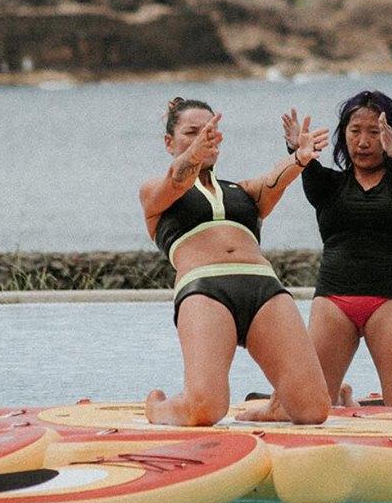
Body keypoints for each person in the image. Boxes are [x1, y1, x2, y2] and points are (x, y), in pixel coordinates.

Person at [141, 98, 331, 427]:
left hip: (263, 289)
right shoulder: (157, 192)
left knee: (314, 410)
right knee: (205, 410)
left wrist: (299, 158)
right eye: (192, 132)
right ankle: (159, 408)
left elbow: (275, 179)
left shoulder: (241, 190)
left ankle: (275, 407)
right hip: (205, 290)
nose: (205, 138)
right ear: (169, 142)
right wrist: (193, 155)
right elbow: (177, 179)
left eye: (211, 131)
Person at [289, 90, 392, 409]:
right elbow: (303, 168)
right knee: (309, 406)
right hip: (334, 301)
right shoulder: (327, 185)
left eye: (374, 132)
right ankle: (339, 398)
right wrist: (296, 151)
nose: (363, 141)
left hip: (389, 300)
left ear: (390, 135)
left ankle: (346, 399)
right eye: (355, 131)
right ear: (344, 135)